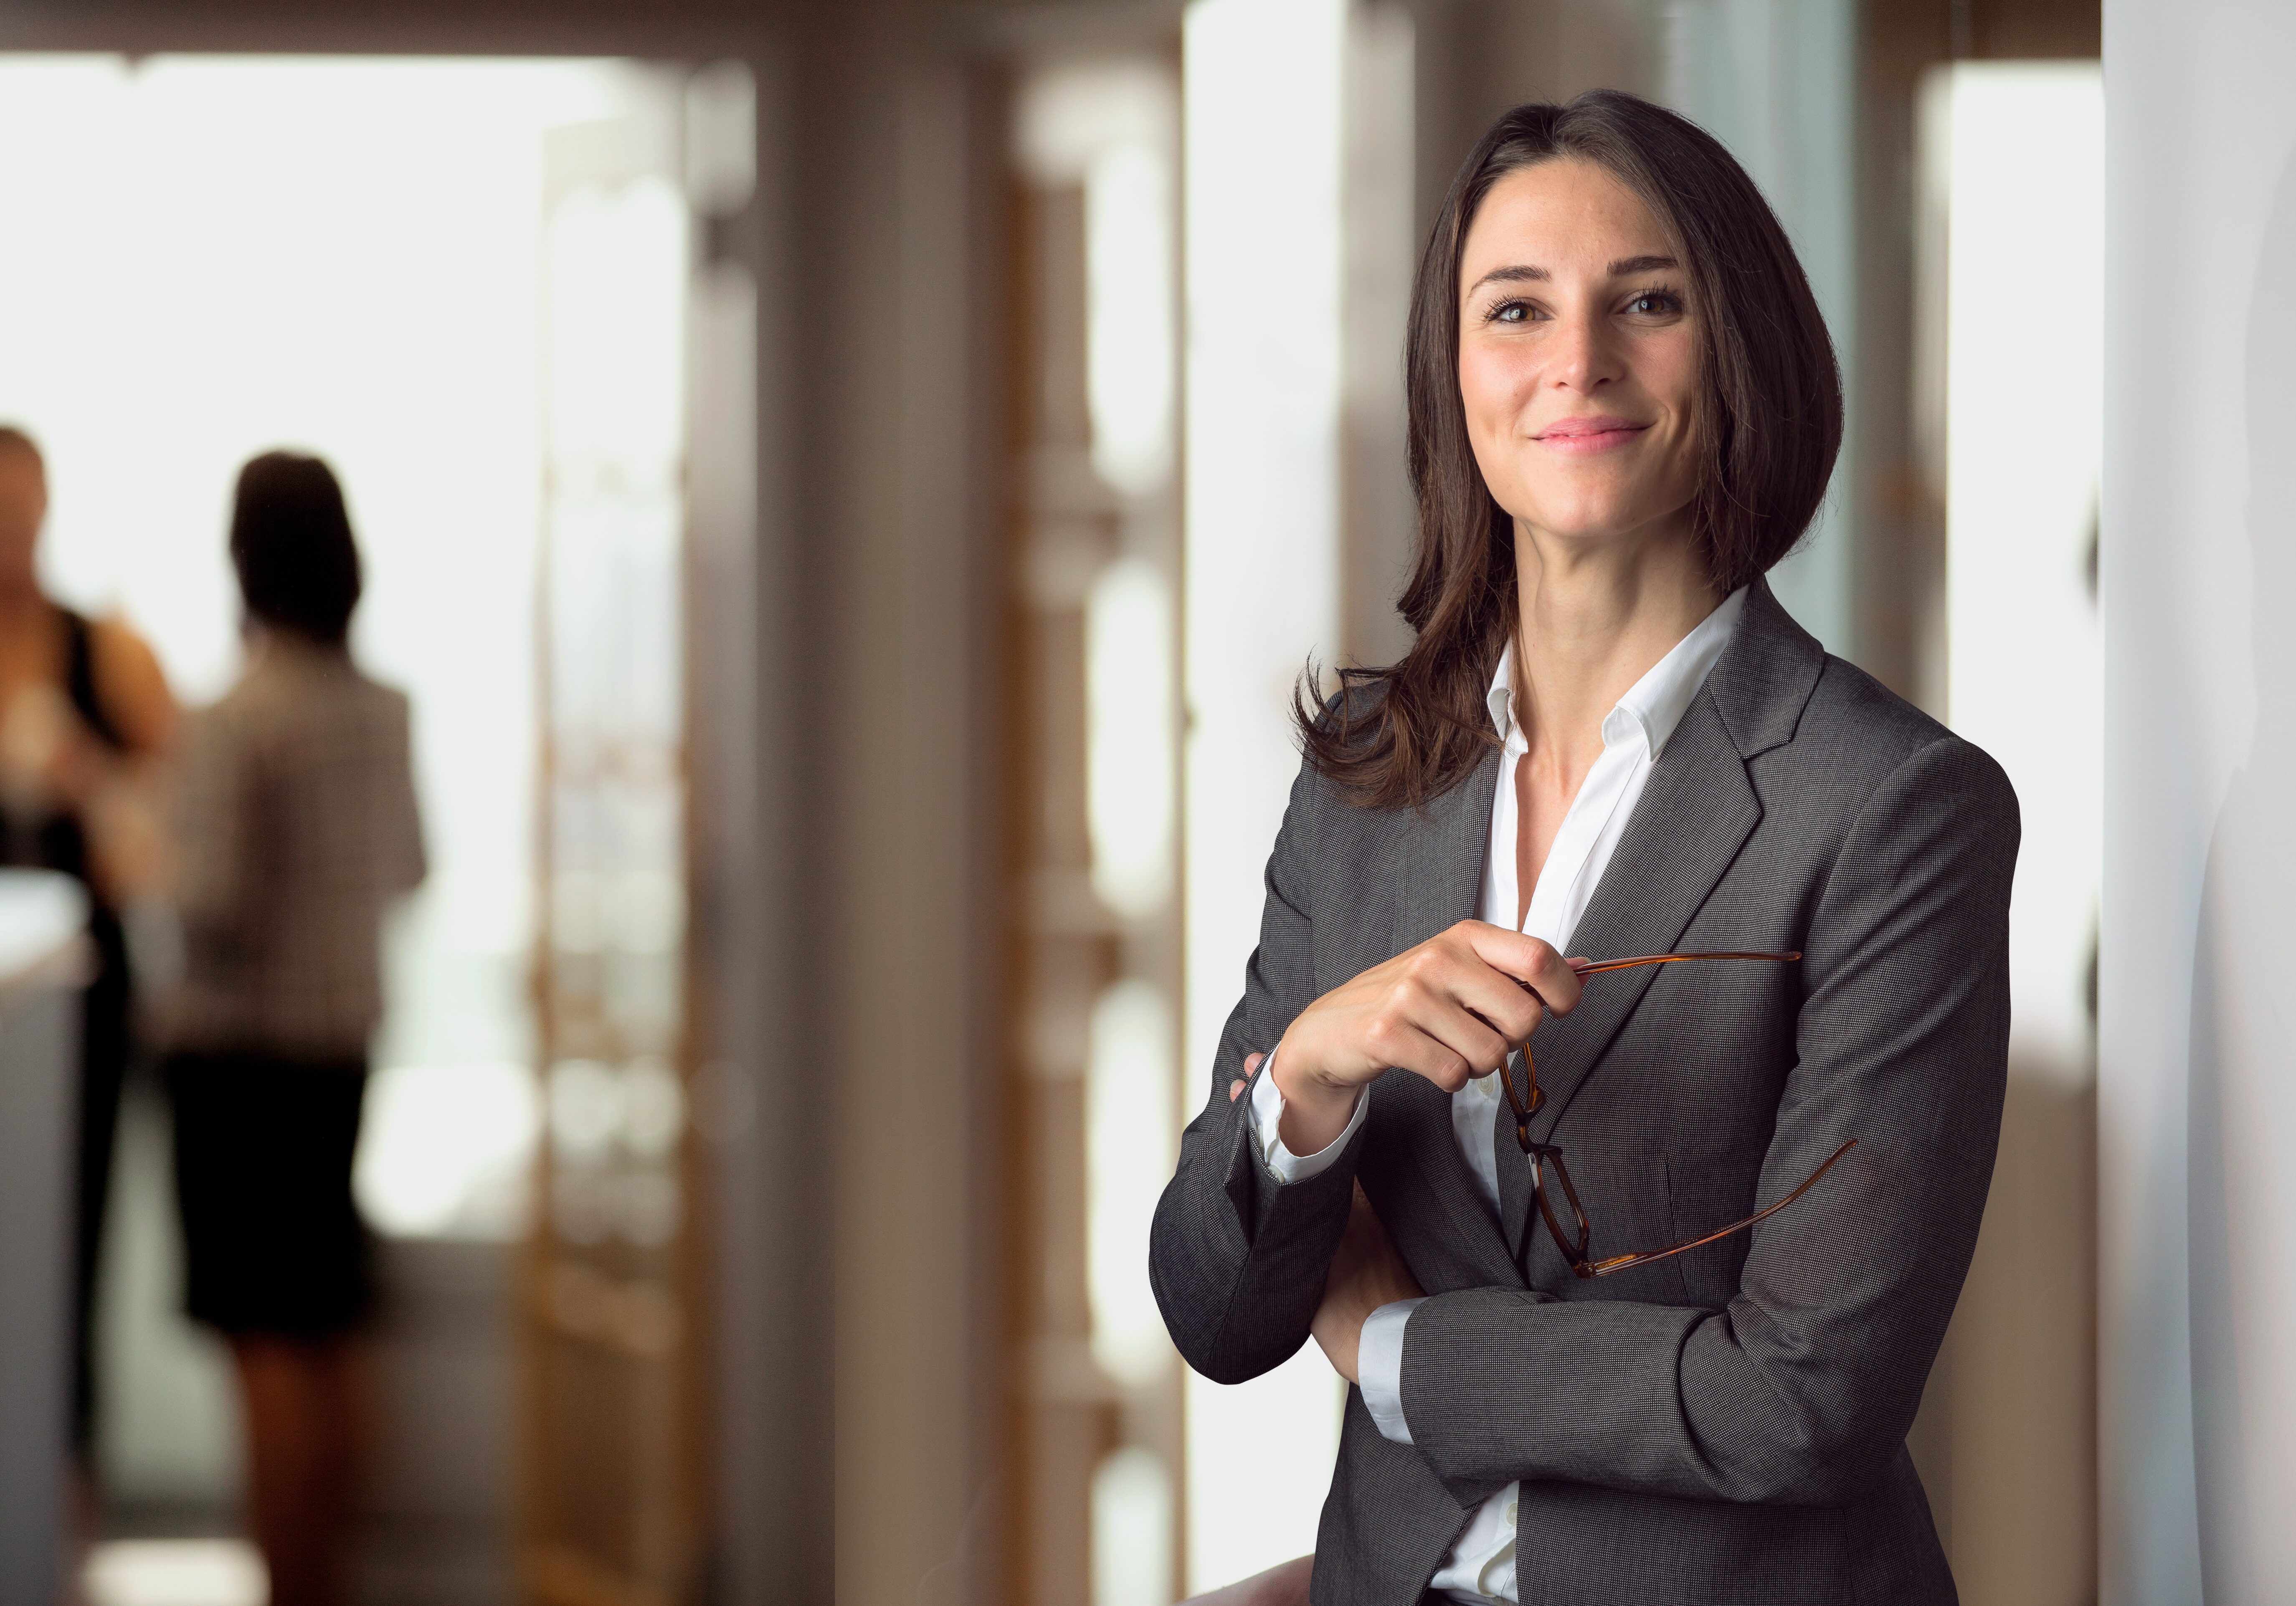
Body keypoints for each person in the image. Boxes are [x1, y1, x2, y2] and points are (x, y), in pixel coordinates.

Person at [1153, 91, 2017, 1606]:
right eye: (1514, 308)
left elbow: (1799, 1399)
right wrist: (1301, 1078)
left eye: (1645, 301)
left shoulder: (1892, 809)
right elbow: (1213, 1313)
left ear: (1735, 346)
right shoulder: (1365, 777)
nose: (1576, 362)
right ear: (1453, 370)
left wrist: (1387, 1343)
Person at [164, 451, 425, 1606]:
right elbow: (414, 867)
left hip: (240, 1062)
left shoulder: (238, 717)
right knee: (329, 1325)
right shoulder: (383, 710)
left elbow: (210, 900)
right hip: (339, 1057)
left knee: (266, 1339)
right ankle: (330, 1576)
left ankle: (289, 1582)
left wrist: (135, 838)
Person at [0, 424, 177, 1474]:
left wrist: (84, 781)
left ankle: (63, 1504)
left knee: (69, 1254)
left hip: (78, 1006)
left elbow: (172, 838)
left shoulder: (105, 648)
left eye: (21, 516)